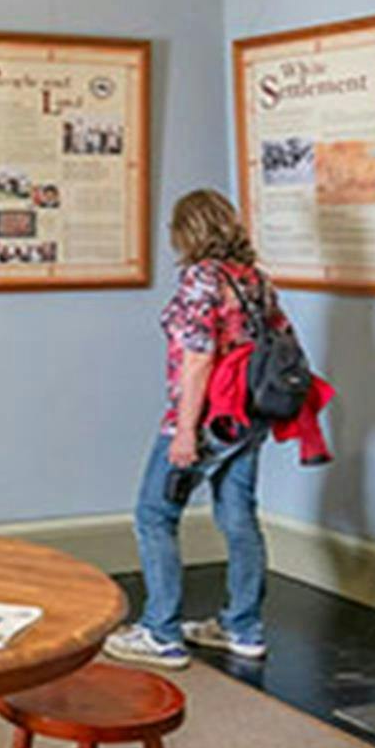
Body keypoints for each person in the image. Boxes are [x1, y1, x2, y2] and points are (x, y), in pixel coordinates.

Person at [103, 188, 286, 669]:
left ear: (188, 231)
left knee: (154, 515)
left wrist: (185, 431)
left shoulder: (201, 280)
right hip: (245, 418)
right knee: (239, 517)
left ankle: (160, 632)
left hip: (202, 418)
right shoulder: (255, 280)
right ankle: (243, 627)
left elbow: (199, 357)